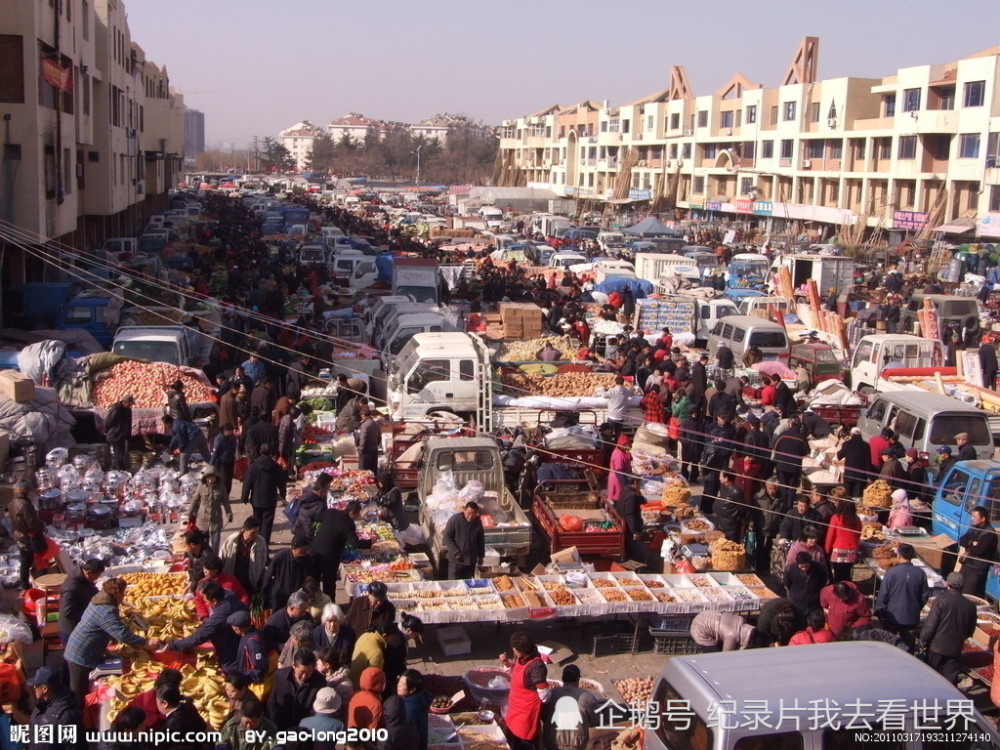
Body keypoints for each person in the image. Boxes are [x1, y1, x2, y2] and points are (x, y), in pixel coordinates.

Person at [65, 577, 160, 707]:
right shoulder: (106, 610)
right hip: (79, 652)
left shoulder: (101, 598)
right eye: (123, 593)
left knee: (81, 688)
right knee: (78, 692)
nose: (124, 596)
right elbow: (121, 634)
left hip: (85, 647)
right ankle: (77, 720)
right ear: (117, 593)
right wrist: (144, 642)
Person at [165, 579, 248, 667]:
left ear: (214, 600)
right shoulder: (230, 597)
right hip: (242, 646)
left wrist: (172, 645)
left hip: (232, 655)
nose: (205, 601)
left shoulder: (218, 617)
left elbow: (199, 637)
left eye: (205, 598)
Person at [920, 572, 978, 685]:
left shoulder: (940, 600)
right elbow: (970, 630)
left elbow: (931, 625)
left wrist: (923, 640)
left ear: (948, 584)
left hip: (937, 647)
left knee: (931, 676)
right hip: (955, 649)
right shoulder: (970, 606)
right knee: (950, 680)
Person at [874, 543, 929, 651]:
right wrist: (916, 608)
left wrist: (880, 613)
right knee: (908, 648)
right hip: (911, 617)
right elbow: (924, 596)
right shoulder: (920, 573)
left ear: (899, 556)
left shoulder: (891, 572)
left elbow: (883, 595)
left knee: (887, 646)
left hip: (892, 617)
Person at [500, 632, 548, 750]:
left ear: (523, 650)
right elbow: (516, 673)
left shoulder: (536, 666)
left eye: (515, 648)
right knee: (515, 738)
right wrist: (507, 664)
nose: (513, 650)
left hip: (527, 712)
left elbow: (544, 693)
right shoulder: (521, 657)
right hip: (516, 707)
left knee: (525, 743)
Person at [540, 664, 599, 750]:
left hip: (552, 741)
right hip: (577, 743)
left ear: (562, 678)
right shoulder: (587, 696)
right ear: (578, 679)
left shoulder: (551, 694)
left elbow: (543, 716)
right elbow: (596, 721)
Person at [311, 500, 361, 598]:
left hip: (315, 550)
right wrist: (370, 543)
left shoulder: (331, 512)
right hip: (330, 556)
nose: (357, 518)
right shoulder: (348, 524)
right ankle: (329, 606)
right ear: (352, 513)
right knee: (329, 583)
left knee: (314, 581)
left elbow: (317, 517)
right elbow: (355, 543)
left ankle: (314, 605)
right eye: (357, 515)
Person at [28, 666, 85, 750]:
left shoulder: (67, 716)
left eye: (36, 685)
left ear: (45, 689)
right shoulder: (42, 705)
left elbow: (75, 746)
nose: (34, 687)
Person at [268, 649, 326, 731]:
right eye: (301, 672)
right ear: (294, 666)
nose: (304, 676)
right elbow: (272, 702)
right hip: (281, 726)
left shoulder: (319, 681)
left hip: (304, 728)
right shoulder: (280, 676)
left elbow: (317, 708)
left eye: (309, 672)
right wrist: (273, 724)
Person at [241, 443, 287, 545]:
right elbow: (281, 482)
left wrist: (244, 496)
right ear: (270, 453)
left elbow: (247, 482)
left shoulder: (254, 466)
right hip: (270, 500)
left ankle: (256, 544)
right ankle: (264, 546)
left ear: (260, 452)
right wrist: (283, 494)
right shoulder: (275, 466)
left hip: (257, 500)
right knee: (267, 524)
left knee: (257, 523)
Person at [262, 534, 316, 612]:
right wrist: (263, 594)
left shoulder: (307, 560)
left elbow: (311, 577)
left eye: (307, 549)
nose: (305, 551)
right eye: (303, 549)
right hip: (280, 597)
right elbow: (268, 576)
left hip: (296, 598)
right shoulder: (280, 557)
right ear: (294, 548)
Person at [59, 558, 105, 645]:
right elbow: (68, 612)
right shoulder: (71, 587)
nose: (97, 578)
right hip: (71, 630)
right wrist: (91, 618)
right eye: (97, 576)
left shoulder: (83, 577)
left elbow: (91, 590)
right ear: (89, 573)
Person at [188, 465, 233, 553]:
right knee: (204, 544)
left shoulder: (221, 487)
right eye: (208, 478)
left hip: (216, 520)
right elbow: (195, 499)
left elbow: (225, 502)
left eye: (212, 478)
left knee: (215, 543)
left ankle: (214, 561)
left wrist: (229, 514)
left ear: (216, 477)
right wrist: (190, 511)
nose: (210, 480)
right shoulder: (201, 485)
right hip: (203, 520)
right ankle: (204, 561)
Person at [220, 517, 269, 596]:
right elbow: (222, 556)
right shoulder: (232, 540)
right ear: (244, 530)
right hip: (233, 578)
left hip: (249, 580)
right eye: (252, 532)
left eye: (257, 532)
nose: (255, 535)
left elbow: (263, 560)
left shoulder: (261, 541)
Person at [9, 481, 43, 590]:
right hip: (27, 537)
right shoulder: (25, 505)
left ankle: (25, 584)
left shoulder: (12, 502)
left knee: (25, 561)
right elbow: (32, 524)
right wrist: (42, 526)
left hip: (19, 535)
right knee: (29, 561)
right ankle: (29, 584)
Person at [958, 505, 998, 598]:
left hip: (977, 569)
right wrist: (972, 543)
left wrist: (969, 547)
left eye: (975, 517)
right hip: (967, 564)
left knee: (969, 593)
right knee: (959, 587)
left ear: (983, 518)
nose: (972, 519)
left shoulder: (989, 533)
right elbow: (961, 540)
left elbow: (979, 550)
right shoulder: (973, 528)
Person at [442, 501, 486, 580]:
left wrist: (481, 556)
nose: (471, 516)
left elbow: (480, 540)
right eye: (469, 513)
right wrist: (456, 552)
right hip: (456, 561)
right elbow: (446, 538)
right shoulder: (455, 520)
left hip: (470, 561)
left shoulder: (477, 522)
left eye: (474, 514)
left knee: (468, 584)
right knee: (454, 585)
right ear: (464, 510)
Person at [225, 611, 270, 686]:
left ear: (238, 628)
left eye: (233, 626)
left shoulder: (252, 643)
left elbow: (259, 667)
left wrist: (243, 680)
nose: (232, 628)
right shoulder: (249, 634)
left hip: (251, 684)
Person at [156, 684, 208, 749]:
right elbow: (203, 726)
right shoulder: (189, 707)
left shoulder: (170, 726)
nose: (156, 704)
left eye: (157, 701)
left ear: (165, 703)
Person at [825, 498, 862, 583]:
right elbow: (858, 534)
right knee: (847, 574)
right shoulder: (856, 519)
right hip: (852, 550)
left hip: (839, 549)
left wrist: (827, 549)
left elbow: (830, 535)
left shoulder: (836, 518)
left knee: (838, 574)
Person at [781, 551, 828, 617]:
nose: (804, 569)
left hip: (814, 605)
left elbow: (824, 581)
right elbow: (787, 584)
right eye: (802, 567)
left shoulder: (819, 568)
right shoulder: (789, 569)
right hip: (796, 604)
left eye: (806, 566)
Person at [689, 611, 759, 653]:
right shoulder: (731, 637)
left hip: (706, 616)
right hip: (699, 630)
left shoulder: (742, 620)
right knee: (715, 657)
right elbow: (726, 656)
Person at [615, 475, 646, 566]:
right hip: (629, 526)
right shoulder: (631, 496)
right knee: (633, 549)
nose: (640, 485)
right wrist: (634, 531)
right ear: (635, 483)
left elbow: (641, 501)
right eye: (639, 483)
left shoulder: (625, 490)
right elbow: (630, 514)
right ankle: (633, 566)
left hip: (623, 521)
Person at [294, 473, 334, 542]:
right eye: (327, 488)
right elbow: (324, 520)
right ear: (321, 490)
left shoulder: (307, 492)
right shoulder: (318, 506)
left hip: (299, 527)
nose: (328, 491)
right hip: (308, 534)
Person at [398, 668, 432, 750]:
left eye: (403, 683)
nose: (398, 685)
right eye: (399, 681)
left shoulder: (409, 710)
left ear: (412, 689)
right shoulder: (421, 698)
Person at [837, 427, 871, 499]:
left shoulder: (846, 444)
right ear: (860, 435)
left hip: (849, 475)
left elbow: (839, 456)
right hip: (861, 476)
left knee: (848, 496)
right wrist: (869, 476)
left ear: (851, 435)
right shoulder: (866, 445)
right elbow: (868, 462)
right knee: (858, 497)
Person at [105, 394, 135, 471]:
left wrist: (128, 435)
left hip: (122, 434)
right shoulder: (116, 409)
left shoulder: (128, 410)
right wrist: (107, 431)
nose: (130, 405)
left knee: (121, 452)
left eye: (131, 404)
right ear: (124, 402)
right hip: (115, 434)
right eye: (129, 404)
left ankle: (121, 468)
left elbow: (129, 422)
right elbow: (108, 421)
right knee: (117, 453)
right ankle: (118, 470)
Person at [713, 471, 745, 544]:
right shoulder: (723, 487)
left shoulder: (736, 492)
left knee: (730, 545)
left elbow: (743, 509)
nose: (719, 478)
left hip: (731, 526)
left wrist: (737, 519)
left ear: (726, 478)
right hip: (721, 522)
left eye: (720, 476)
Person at [210, 423, 239, 497]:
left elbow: (235, 447)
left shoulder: (232, 437)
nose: (230, 433)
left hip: (230, 460)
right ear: (224, 431)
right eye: (229, 431)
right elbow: (215, 452)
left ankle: (226, 496)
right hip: (222, 462)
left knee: (229, 480)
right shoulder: (219, 439)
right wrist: (211, 464)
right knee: (224, 480)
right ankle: (222, 496)